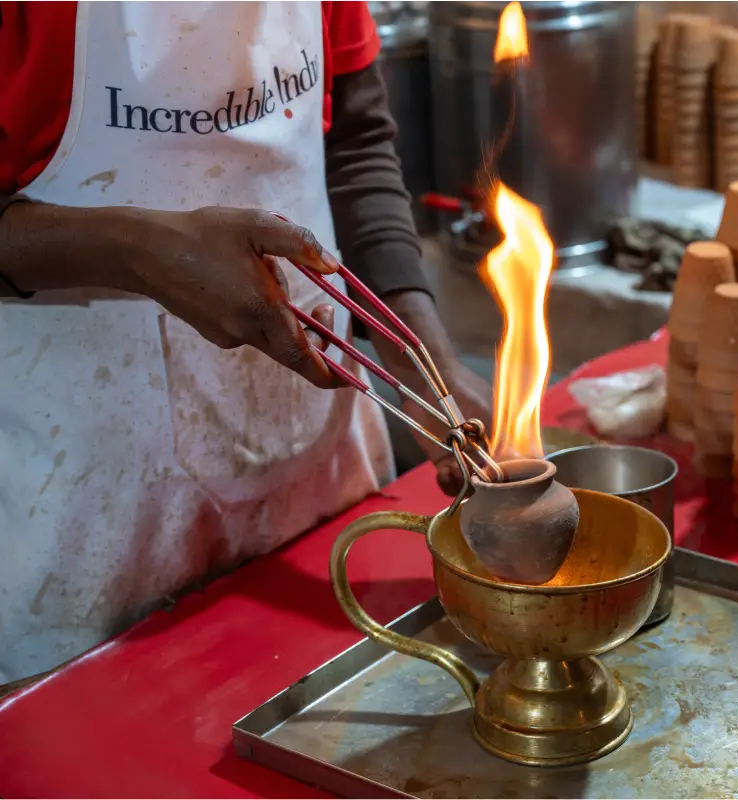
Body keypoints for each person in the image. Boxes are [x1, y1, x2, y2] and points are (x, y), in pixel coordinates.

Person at [0, 1, 491, 685]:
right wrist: (136, 251)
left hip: (319, 490)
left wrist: (418, 344)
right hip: (87, 534)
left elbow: (351, 140)